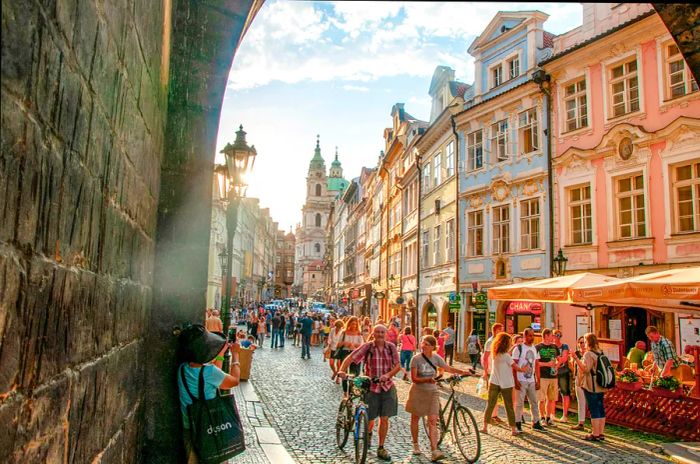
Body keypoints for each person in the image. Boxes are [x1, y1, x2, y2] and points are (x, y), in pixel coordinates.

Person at [177, 325, 241, 463]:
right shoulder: (210, 372)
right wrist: (236, 357)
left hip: (190, 427)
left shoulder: (182, 369)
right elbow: (233, 381)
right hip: (211, 429)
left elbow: (213, 374)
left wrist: (220, 355)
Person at [338, 325, 402, 461]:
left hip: (387, 387)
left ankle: (381, 447)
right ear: (373, 333)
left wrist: (388, 375)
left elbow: (398, 366)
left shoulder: (391, 347)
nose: (380, 334)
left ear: (386, 334)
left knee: (384, 418)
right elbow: (351, 357)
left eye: (382, 332)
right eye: (377, 332)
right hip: (371, 387)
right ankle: (368, 434)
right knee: (370, 418)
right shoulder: (368, 347)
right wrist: (342, 370)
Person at [406, 335, 473, 461]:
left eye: (426, 344)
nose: (423, 345)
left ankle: (434, 450)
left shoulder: (436, 358)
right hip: (418, 391)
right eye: (422, 343)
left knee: (432, 420)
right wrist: (427, 379)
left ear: (432, 346)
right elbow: (414, 378)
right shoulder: (416, 359)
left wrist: (464, 372)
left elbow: (448, 368)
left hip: (432, 392)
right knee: (415, 417)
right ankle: (415, 444)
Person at [482, 332, 530, 436]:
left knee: (490, 404)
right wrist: (524, 369)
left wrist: (513, 347)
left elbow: (506, 353)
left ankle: (485, 427)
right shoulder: (507, 357)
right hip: (507, 383)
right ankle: (513, 429)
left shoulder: (495, 354)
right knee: (509, 406)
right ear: (505, 343)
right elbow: (517, 368)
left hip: (494, 382)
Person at [570, 333, 609, 441]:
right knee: (601, 408)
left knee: (594, 409)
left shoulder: (588, 354)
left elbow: (585, 369)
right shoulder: (600, 352)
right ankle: (601, 433)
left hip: (591, 385)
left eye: (585, 342)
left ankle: (595, 433)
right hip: (600, 384)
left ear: (588, 342)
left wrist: (576, 359)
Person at [512, 328, 545, 432]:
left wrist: (537, 379)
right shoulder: (519, 348)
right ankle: (517, 422)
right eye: (530, 335)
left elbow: (536, 364)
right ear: (525, 336)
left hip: (531, 379)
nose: (532, 337)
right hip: (521, 379)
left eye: (532, 335)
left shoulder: (534, 349)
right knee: (520, 403)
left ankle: (536, 422)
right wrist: (515, 380)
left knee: (534, 401)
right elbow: (514, 364)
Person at [535, 328, 560, 426]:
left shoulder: (554, 347)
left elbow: (558, 359)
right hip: (542, 376)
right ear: (546, 336)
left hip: (553, 376)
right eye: (551, 336)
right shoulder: (538, 347)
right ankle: (541, 417)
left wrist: (557, 365)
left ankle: (548, 417)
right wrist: (547, 364)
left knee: (551, 398)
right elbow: (536, 363)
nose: (553, 338)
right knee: (541, 398)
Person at [336, 316, 365, 394]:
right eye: (352, 324)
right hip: (345, 353)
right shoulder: (344, 332)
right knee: (344, 372)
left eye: (355, 324)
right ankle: (345, 390)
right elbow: (338, 344)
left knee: (355, 373)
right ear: (349, 323)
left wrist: (355, 345)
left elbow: (362, 346)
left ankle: (351, 389)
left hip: (356, 353)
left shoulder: (359, 334)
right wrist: (345, 343)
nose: (354, 326)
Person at [482, 323, 504, 423]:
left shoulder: (500, 341)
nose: (502, 331)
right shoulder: (490, 342)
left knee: (497, 396)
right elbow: (485, 357)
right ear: (495, 330)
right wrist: (485, 371)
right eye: (501, 330)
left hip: (499, 371)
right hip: (491, 371)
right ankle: (489, 416)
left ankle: (495, 415)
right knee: (491, 396)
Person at [553, 329, 572, 423]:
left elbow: (564, 359)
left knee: (565, 393)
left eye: (559, 335)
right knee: (552, 393)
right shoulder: (551, 346)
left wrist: (557, 362)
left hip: (563, 372)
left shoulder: (564, 346)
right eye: (555, 335)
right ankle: (551, 414)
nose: (557, 336)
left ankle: (565, 415)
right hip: (552, 373)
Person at [571, 336, 587, 431]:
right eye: (580, 342)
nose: (582, 344)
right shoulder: (576, 354)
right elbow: (572, 366)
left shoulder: (588, 354)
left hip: (587, 380)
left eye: (583, 342)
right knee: (581, 401)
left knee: (589, 401)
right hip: (578, 379)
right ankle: (581, 422)